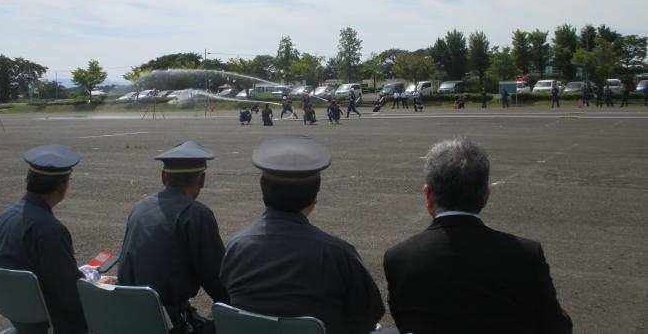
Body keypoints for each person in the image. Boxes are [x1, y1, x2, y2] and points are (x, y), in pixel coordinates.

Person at [383, 138, 573, 334]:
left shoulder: (398, 257)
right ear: (485, 196)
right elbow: (557, 325)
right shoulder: (525, 254)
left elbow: (403, 319)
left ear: (428, 195)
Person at [220, 135, 384, 334]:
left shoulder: (236, 246)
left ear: (264, 193)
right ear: (313, 198)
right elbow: (369, 315)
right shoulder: (337, 253)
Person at [118, 141, 229, 333]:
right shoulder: (196, 214)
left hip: (129, 315)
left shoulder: (140, 207)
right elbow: (216, 277)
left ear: (163, 177)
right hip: (167, 322)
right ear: (201, 180)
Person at [0, 145, 87, 334]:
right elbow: (72, 298)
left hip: (18, 318)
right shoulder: (50, 231)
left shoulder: (0, 219)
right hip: (51, 324)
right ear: (62, 186)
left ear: (29, 180)